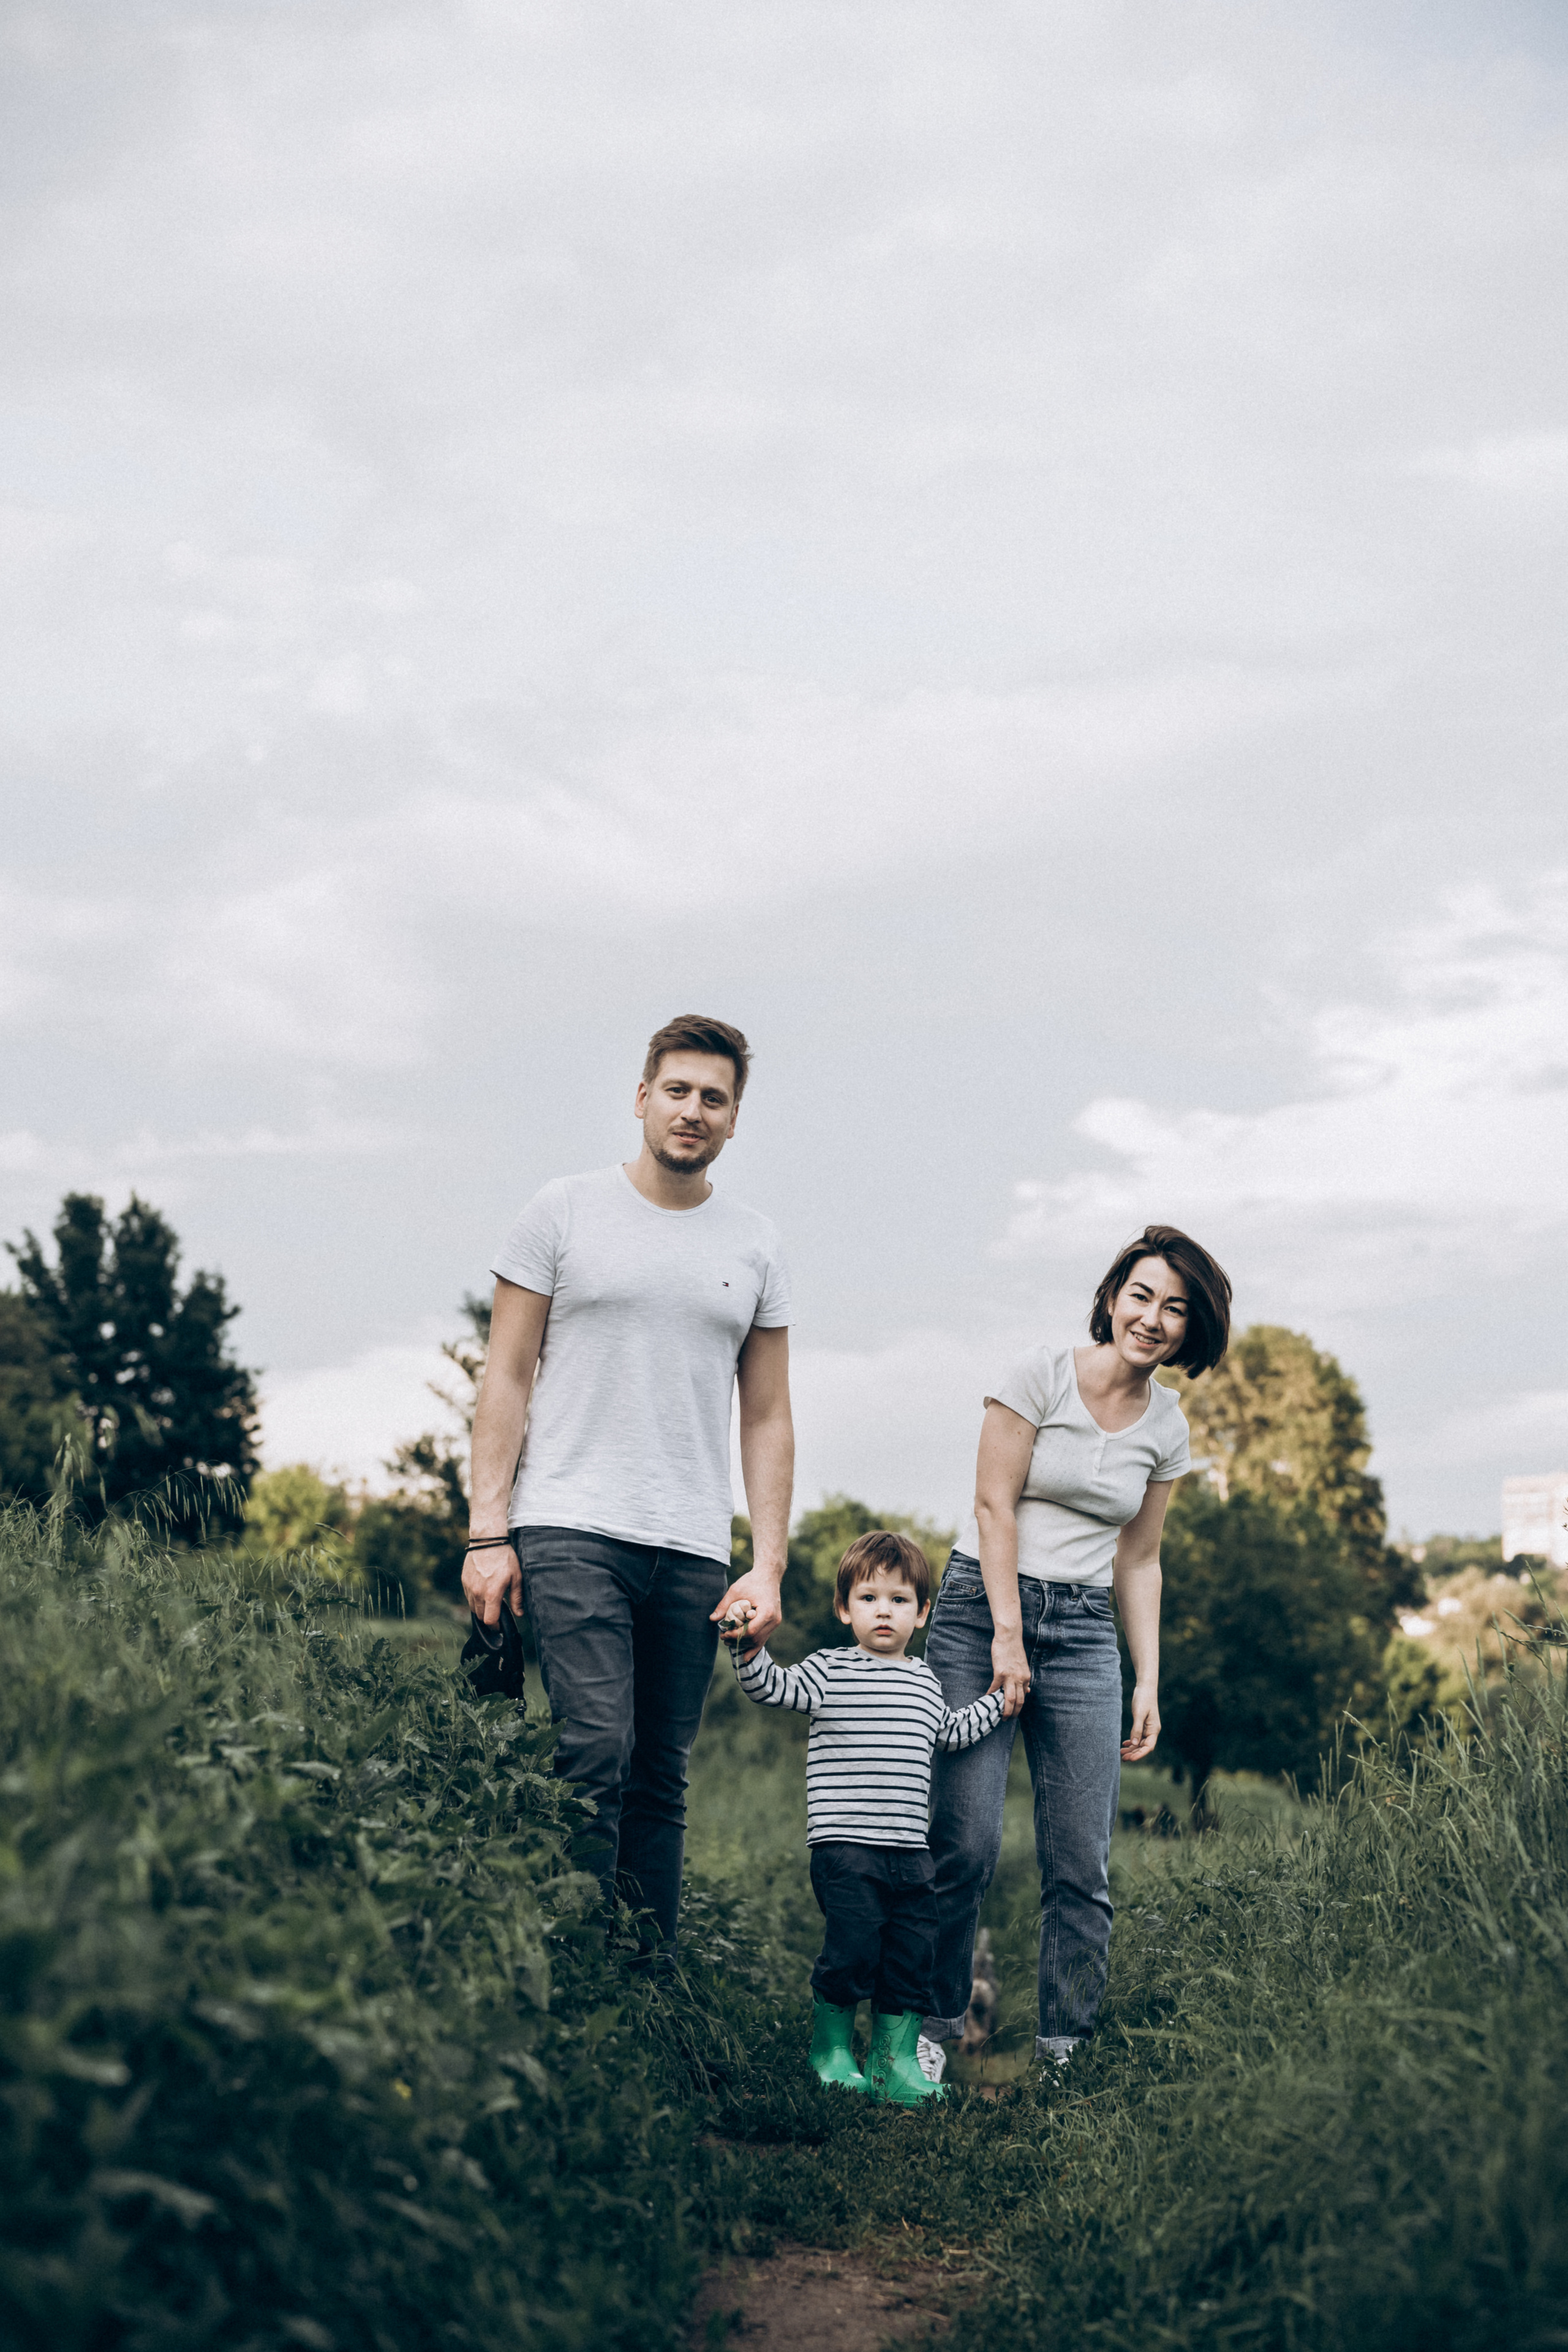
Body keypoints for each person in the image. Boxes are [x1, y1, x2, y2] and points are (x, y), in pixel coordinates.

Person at [461, 1014, 794, 1957]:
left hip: (693, 1545)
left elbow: (767, 1415)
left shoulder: (757, 1245)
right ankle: (566, 1975)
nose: (694, 1112)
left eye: (715, 1099)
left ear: (735, 1121)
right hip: (569, 1523)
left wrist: (766, 1565)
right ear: (642, 1097)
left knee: (659, 1775)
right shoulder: (561, 1211)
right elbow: (507, 1376)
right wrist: (489, 1533)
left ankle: (646, 2000)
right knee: (592, 1750)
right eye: (679, 1091)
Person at [918, 1224, 1232, 2084]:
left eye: (1175, 1308)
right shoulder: (1037, 1374)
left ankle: (1065, 2061)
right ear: (1111, 1297)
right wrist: (1008, 1639)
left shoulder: (1168, 1427)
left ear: (1192, 1329)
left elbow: (1140, 1556)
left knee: (1080, 1862)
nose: (1153, 1318)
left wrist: (1148, 1677)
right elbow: (993, 1508)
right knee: (966, 1843)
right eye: (1141, 1296)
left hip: (1088, 1633)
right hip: (983, 1611)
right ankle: (932, 2039)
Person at [726, 1529, 1008, 2103]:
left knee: (911, 1955)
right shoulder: (829, 1671)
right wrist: (746, 1646)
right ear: (844, 1608)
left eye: (900, 1600)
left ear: (923, 1613)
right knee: (854, 1949)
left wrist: (999, 1702)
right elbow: (769, 1688)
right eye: (869, 1598)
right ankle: (830, 2051)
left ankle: (894, 2063)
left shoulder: (927, 1683)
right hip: (845, 1847)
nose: (885, 1610)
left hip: (911, 1852)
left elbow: (953, 1734)